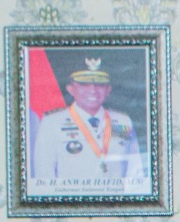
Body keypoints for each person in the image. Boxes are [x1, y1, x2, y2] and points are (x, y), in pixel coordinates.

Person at [28, 55, 148, 193]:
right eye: (83, 84)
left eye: (100, 84)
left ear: (108, 90)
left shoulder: (122, 122)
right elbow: (44, 177)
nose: (93, 90)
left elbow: (134, 171)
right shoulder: (52, 123)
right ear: (70, 89)